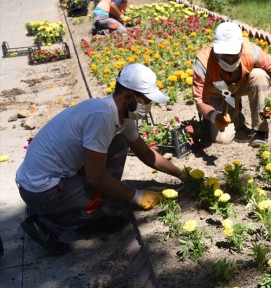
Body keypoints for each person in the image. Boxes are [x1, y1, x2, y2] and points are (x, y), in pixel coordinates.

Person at [15, 64, 183, 256]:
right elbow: (95, 177)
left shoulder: (121, 116)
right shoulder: (101, 116)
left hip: (51, 178)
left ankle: (88, 209)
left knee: (119, 142)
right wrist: (137, 195)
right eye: (146, 100)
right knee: (118, 200)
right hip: (41, 189)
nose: (148, 106)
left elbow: (146, 154)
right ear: (129, 97)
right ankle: (47, 225)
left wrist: (182, 175)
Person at [193, 22, 271, 148]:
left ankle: (260, 130)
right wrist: (213, 116)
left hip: (241, 85)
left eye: (233, 55)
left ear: (241, 48)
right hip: (218, 94)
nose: (229, 60)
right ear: (216, 50)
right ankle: (234, 118)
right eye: (224, 56)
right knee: (223, 138)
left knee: (259, 75)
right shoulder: (203, 62)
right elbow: (200, 101)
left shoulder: (251, 52)